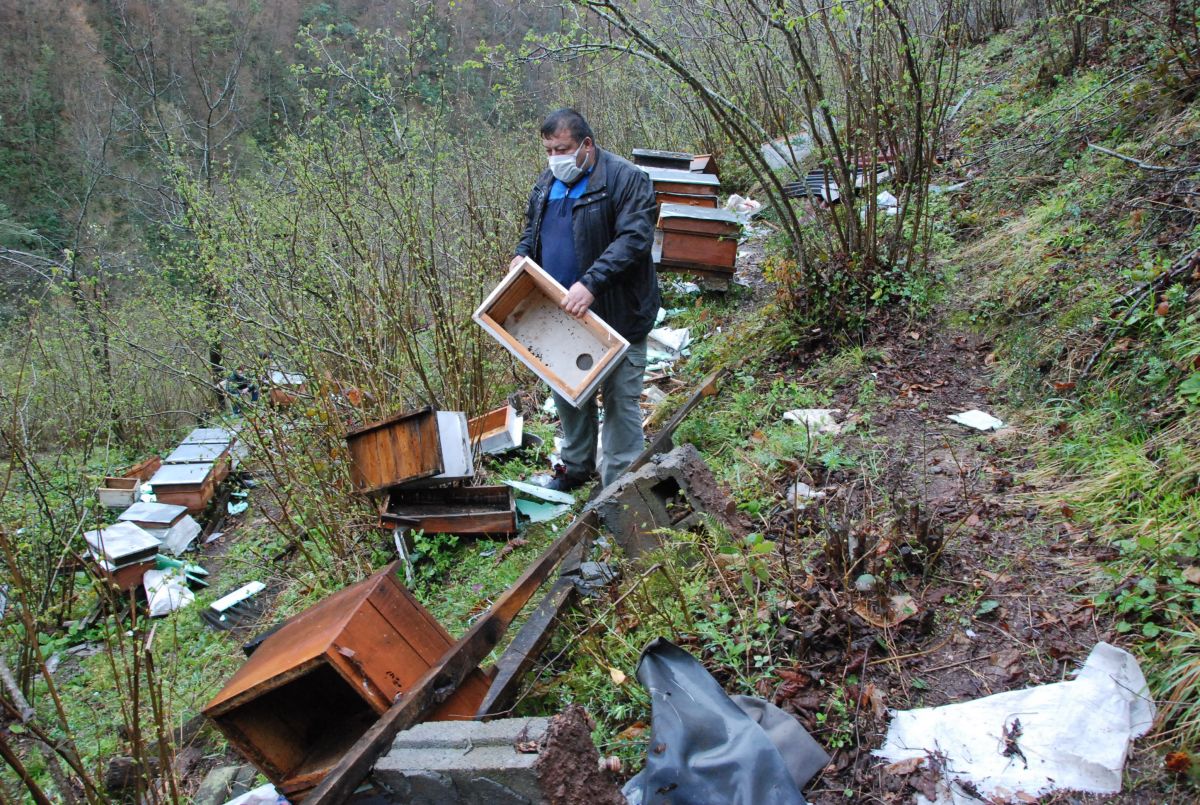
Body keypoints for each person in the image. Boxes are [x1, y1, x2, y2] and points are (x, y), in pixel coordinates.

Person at [511, 109, 660, 491]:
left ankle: (621, 488)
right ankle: (577, 469)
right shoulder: (547, 182)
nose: (554, 158)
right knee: (568, 395)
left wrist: (591, 282)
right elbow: (534, 228)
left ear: (586, 145)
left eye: (562, 148)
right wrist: (521, 254)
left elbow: (634, 240)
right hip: (561, 314)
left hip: (618, 314)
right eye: (548, 150)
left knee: (619, 402)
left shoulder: (627, 179)